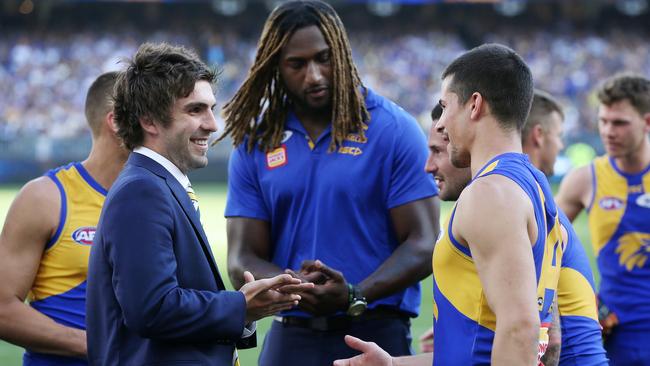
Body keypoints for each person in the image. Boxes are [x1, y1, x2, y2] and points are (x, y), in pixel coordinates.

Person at [221, 1, 440, 365]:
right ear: (275, 66)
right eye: (297, 64)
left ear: (341, 53)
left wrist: (355, 293)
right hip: (291, 332)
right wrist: (295, 287)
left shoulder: (392, 129)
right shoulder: (256, 141)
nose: (315, 76)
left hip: (375, 331)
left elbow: (424, 241)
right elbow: (241, 257)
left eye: (324, 58)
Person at [335, 43, 564, 366]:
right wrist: (394, 364)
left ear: (474, 105)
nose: (440, 123)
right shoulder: (534, 184)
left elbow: (519, 330)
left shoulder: (489, 194)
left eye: (444, 106)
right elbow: (484, 343)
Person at [85, 43, 311, 366]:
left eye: (211, 108)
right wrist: (239, 306)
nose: (212, 124)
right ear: (149, 120)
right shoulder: (141, 191)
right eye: (195, 110)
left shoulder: (159, 185)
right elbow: (152, 309)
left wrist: (246, 312)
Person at [421, 95, 608, 365]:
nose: (430, 165)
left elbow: (544, 344)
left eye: (439, 150)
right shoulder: (526, 202)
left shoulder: (500, 206)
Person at [0, 71, 127, 365]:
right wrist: (96, 346)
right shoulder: (46, 198)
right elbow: (3, 308)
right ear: (117, 122)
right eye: (151, 114)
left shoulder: (166, 198)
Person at [556, 73, 650, 365]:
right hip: (613, 334)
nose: (608, 131)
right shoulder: (585, 179)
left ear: (647, 122)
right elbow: (544, 245)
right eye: (603, 121)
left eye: (620, 123)